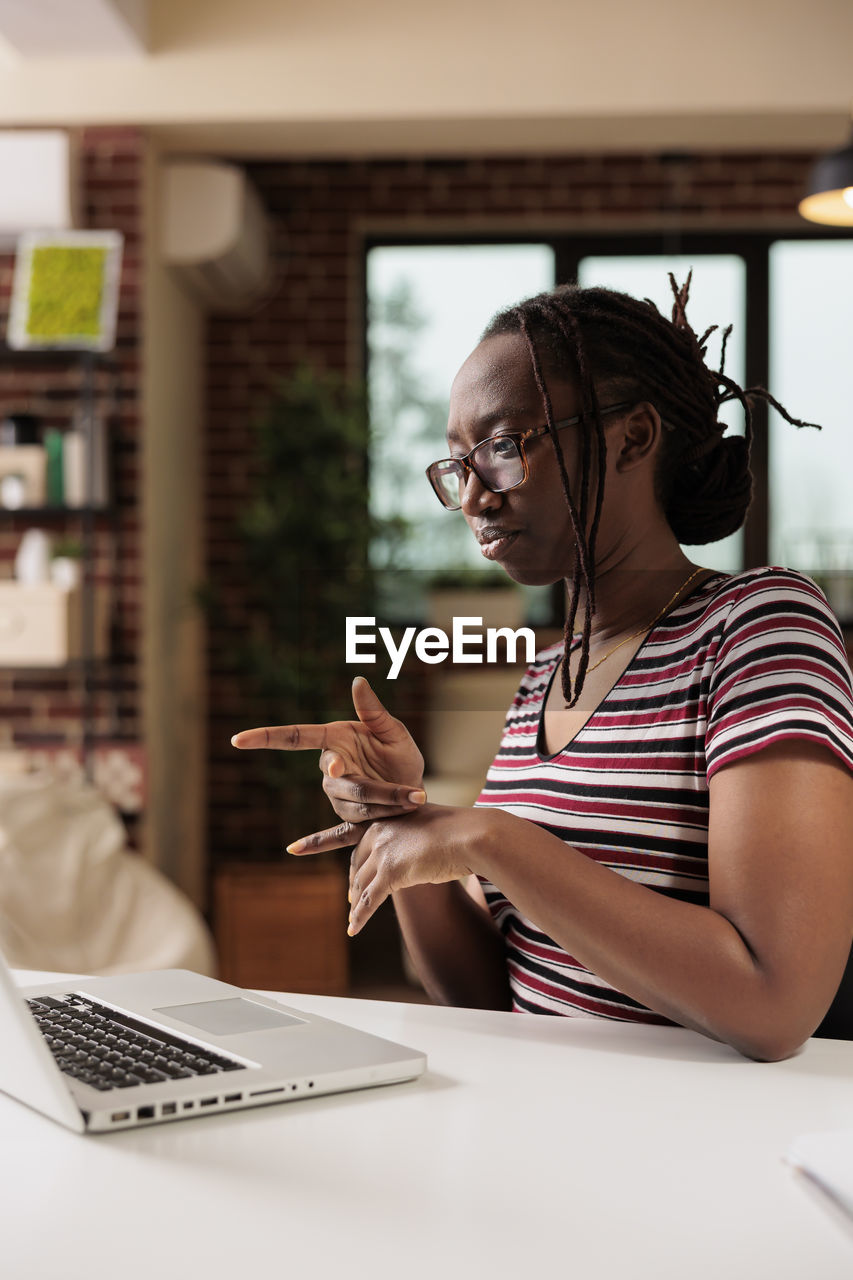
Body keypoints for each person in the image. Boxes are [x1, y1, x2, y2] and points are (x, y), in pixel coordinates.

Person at [232, 276, 853, 1062]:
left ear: (632, 437)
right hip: (541, 1123)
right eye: (459, 465)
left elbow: (775, 1004)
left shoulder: (756, 627)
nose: (473, 499)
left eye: (500, 446)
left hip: (690, 1154)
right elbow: (493, 995)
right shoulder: (546, 678)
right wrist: (398, 822)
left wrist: (488, 838)